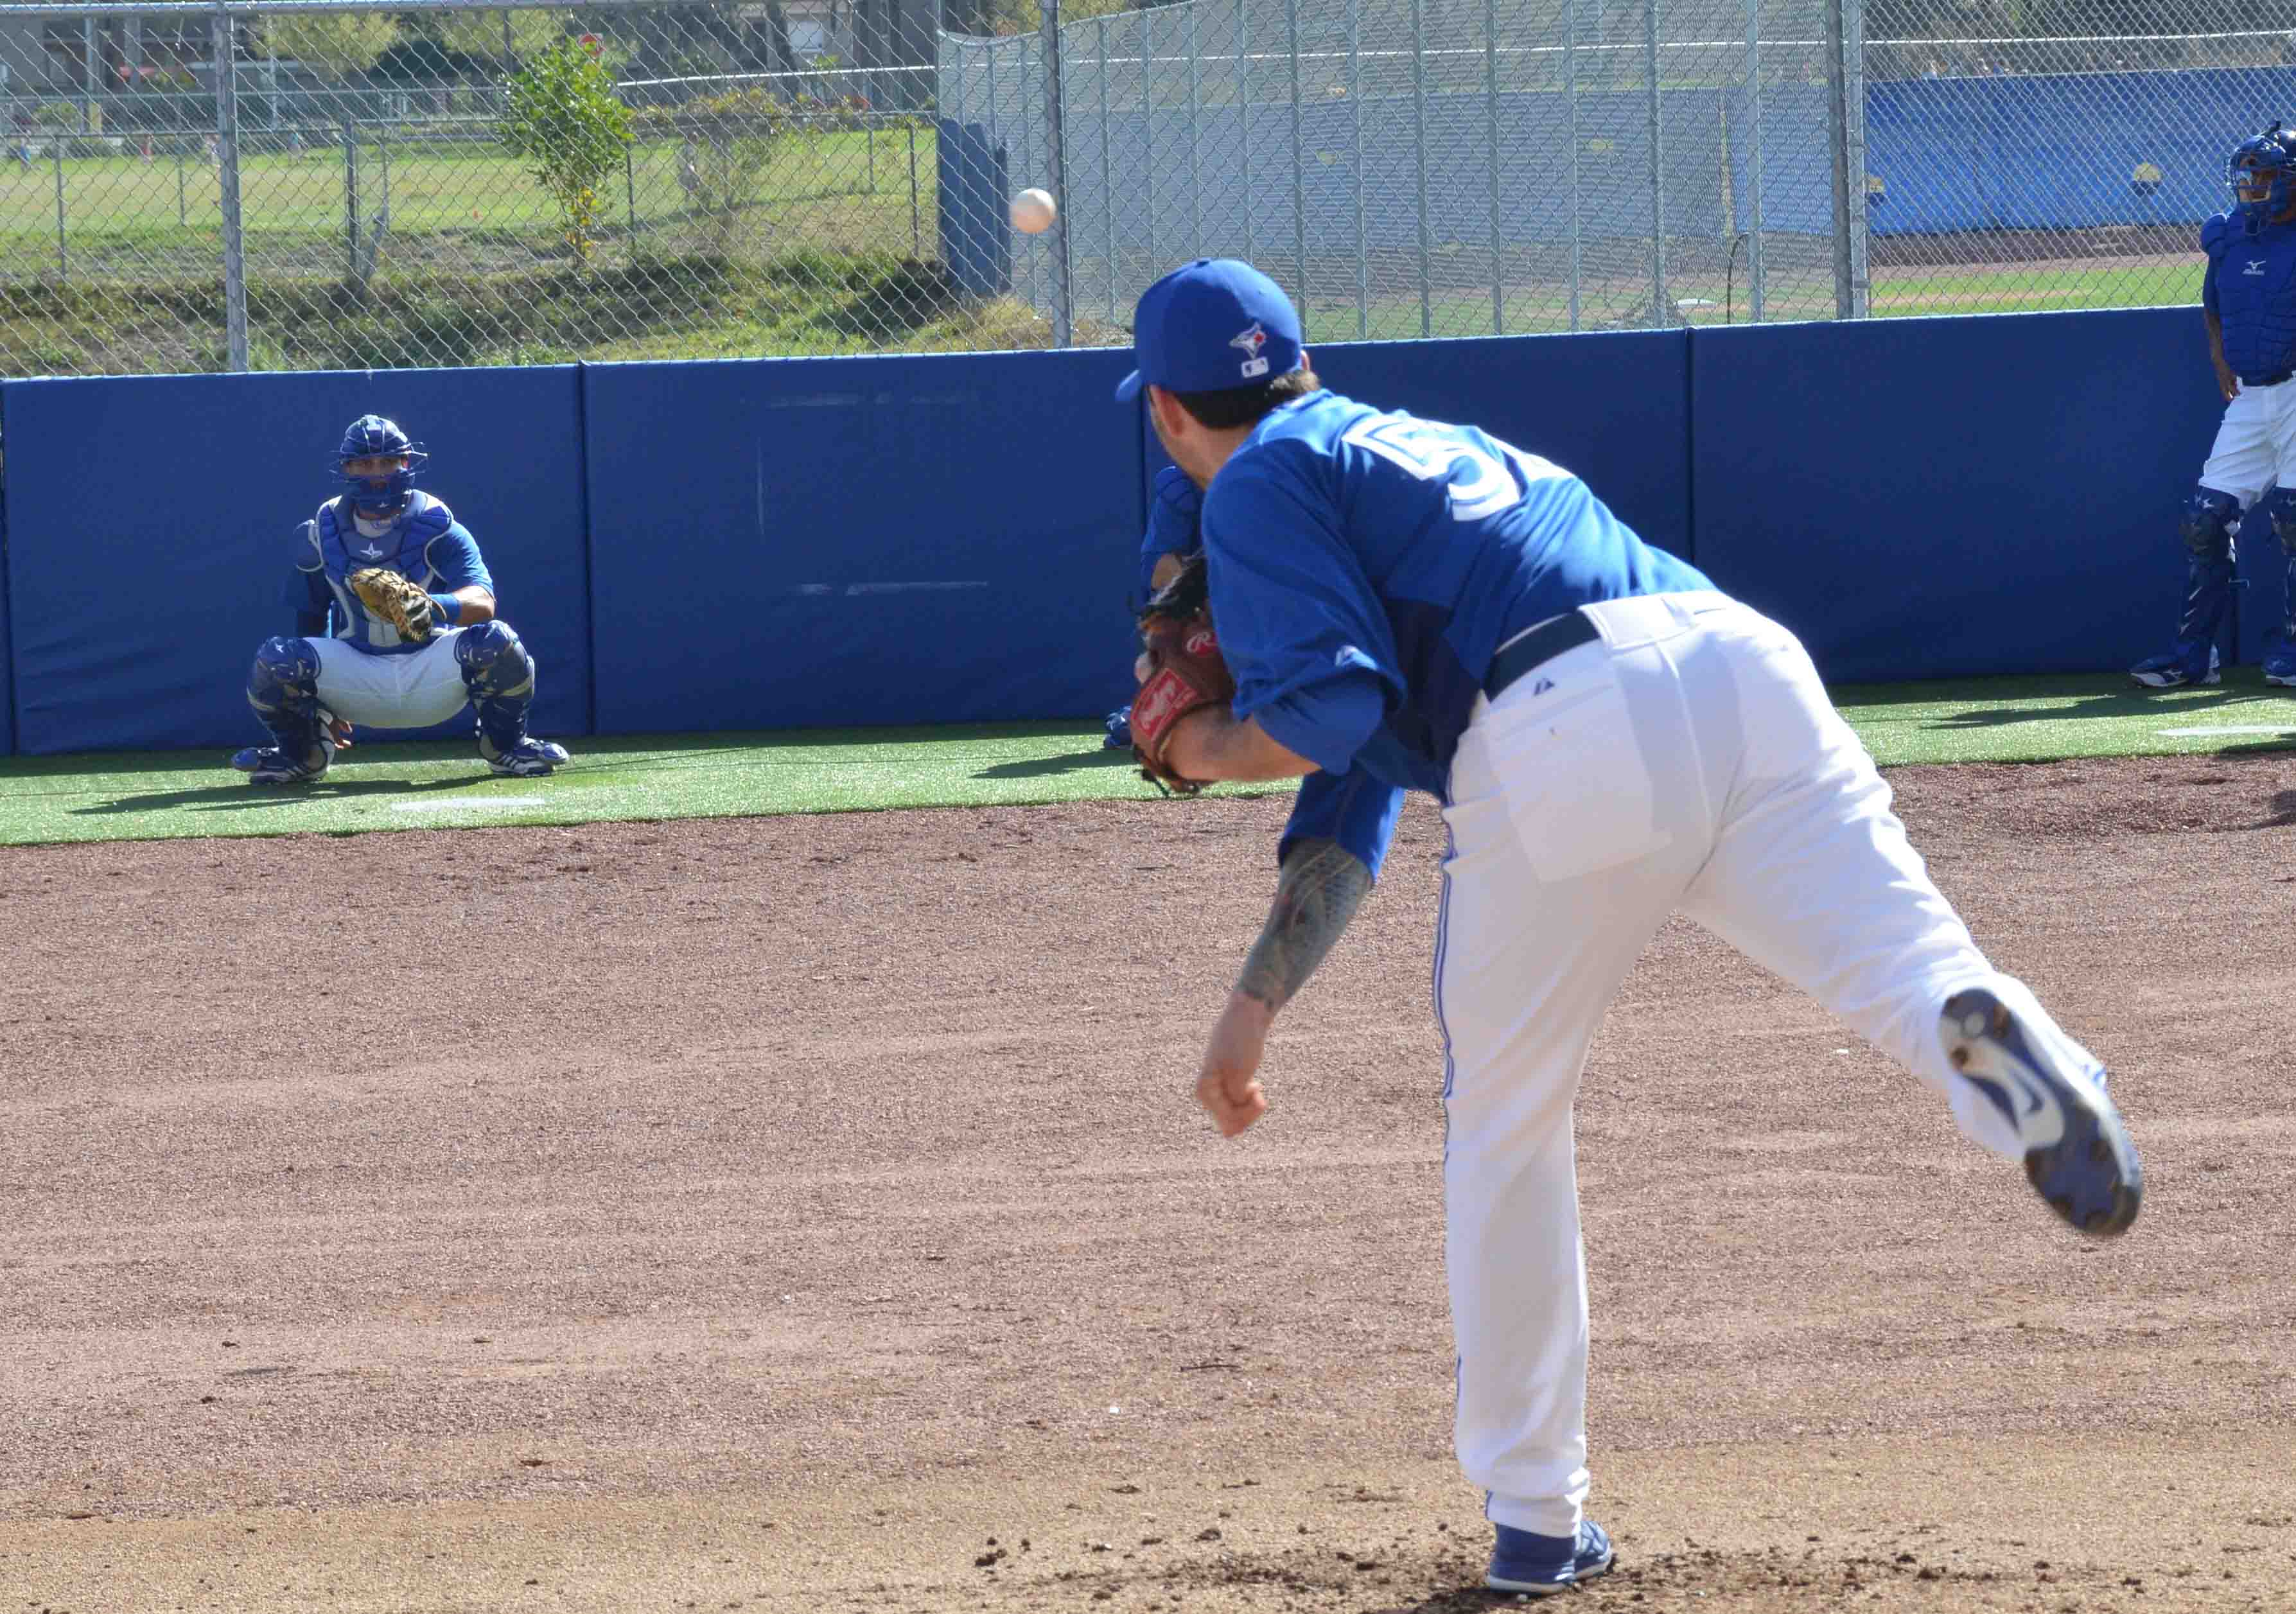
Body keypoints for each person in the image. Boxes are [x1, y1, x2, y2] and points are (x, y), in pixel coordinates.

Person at [1116, 259, 2144, 1597]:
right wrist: (1253, 1003)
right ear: (1293, 361)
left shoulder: (1250, 480)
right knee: (1905, 967)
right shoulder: (1412, 442)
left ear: (1163, 412)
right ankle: (2019, 1067)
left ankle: (1538, 1514)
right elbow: (1360, 755)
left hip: (1556, 720)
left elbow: (1318, 718)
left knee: (1505, 1125)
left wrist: (1196, 745)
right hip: (1734, 665)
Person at [227, 414, 572, 785]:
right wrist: (317, 699)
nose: (377, 473)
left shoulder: (438, 525)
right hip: (357, 672)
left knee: (497, 641)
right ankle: (302, 755)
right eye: (364, 463)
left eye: (388, 462)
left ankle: (506, 747)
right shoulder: (319, 533)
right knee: (277, 659)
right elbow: (309, 617)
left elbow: (482, 601)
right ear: (347, 468)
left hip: (430, 668)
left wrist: (429, 607)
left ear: (406, 463)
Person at [2130, 122, 2296, 689]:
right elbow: (2213, 307)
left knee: (2294, 516)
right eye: (2248, 177)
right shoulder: (2227, 237)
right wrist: (2220, 359)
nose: (2254, 188)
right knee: (2204, 519)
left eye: (2268, 176)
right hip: (2252, 394)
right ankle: (2193, 656)